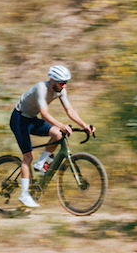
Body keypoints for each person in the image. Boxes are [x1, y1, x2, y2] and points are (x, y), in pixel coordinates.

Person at [9, 64, 95, 209]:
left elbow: (69, 110)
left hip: (31, 118)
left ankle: (41, 163)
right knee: (28, 156)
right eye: (62, 82)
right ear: (52, 81)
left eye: (66, 82)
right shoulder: (41, 88)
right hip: (19, 119)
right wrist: (62, 125)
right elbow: (44, 114)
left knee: (57, 134)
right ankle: (24, 194)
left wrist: (84, 125)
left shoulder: (61, 90)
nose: (65, 85)